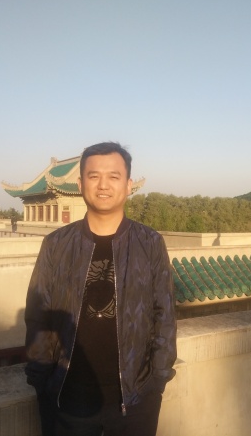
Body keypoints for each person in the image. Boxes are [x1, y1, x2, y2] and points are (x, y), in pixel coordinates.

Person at [25, 142, 177, 436]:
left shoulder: (149, 243)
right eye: (94, 176)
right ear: (80, 184)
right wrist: (41, 378)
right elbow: (38, 314)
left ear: (129, 185)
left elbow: (165, 314)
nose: (103, 185)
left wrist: (157, 379)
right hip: (66, 398)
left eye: (114, 176)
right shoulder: (56, 245)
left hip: (136, 400)